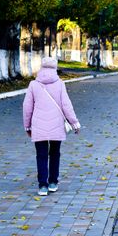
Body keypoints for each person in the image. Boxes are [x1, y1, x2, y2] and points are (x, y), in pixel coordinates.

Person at [22, 57, 80, 196]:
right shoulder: (60, 84)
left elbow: (27, 107)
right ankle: (53, 182)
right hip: (56, 125)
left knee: (41, 155)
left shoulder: (33, 85)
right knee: (55, 154)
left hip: (38, 126)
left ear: (41, 67)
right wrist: (74, 122)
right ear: (55, 68)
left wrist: (27, 126)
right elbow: (66, 105)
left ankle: (42, 185)